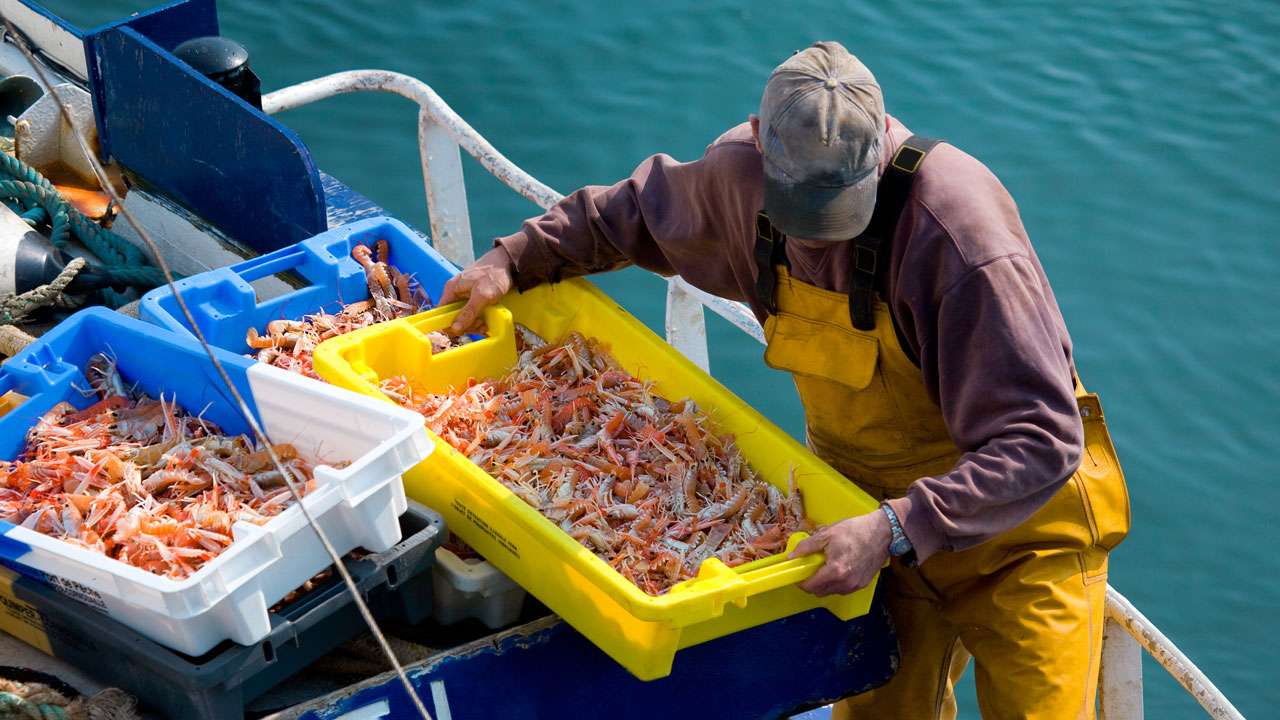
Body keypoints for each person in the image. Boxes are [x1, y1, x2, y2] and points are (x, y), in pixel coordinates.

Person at [440, 41, 1130, 720]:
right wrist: (515, 259)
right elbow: (627, 214)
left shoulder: (960, 238)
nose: (817, 242)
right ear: (760, 147)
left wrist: (897, 525)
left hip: (1020, 535)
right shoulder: (735, 177)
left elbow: (1042, 439)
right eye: (799, 217)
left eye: (837, 217)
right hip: (862, 519)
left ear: (881, 157)